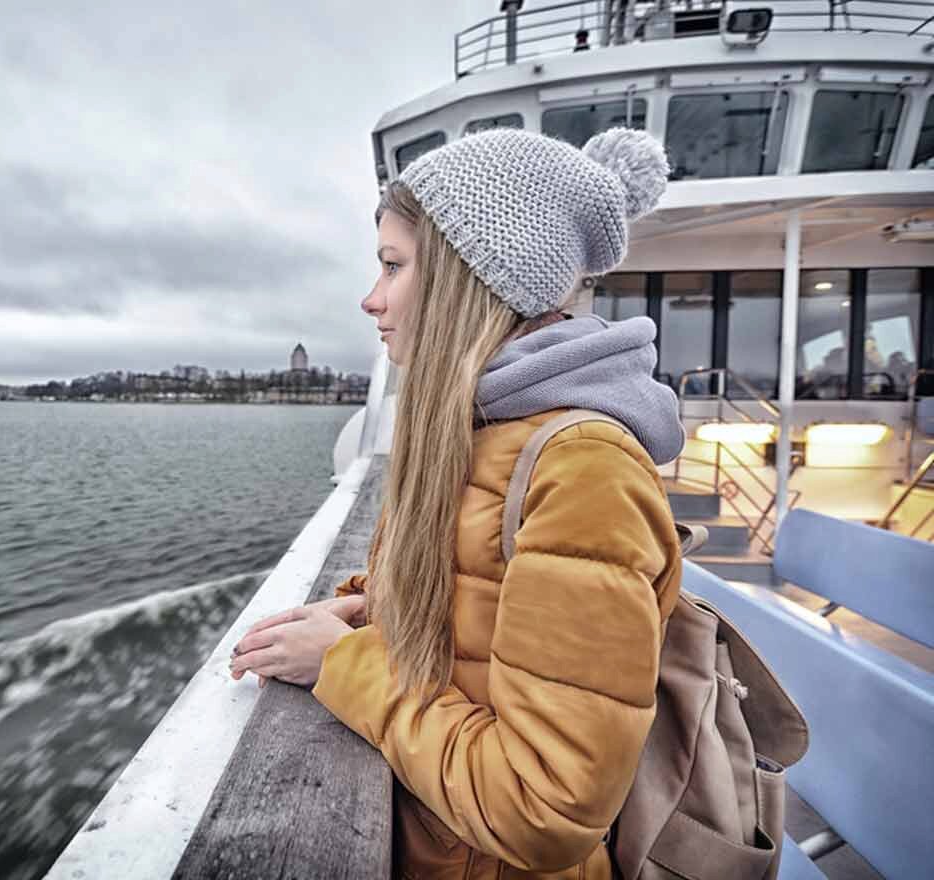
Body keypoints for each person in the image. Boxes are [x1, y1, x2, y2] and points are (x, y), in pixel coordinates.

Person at [229, 127, 685, 880]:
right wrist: (372, 610)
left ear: (468, 276)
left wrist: (344, 663)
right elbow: (486, 615)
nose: (371, 298)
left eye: (393, 265)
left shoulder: (583, 471)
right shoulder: (483, 428)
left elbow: (545, 807)